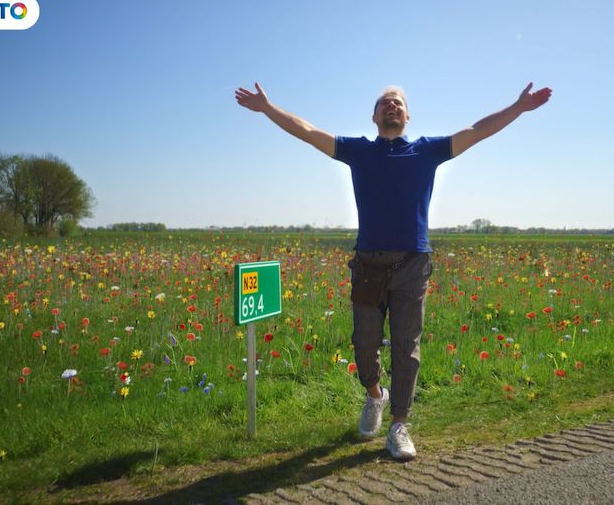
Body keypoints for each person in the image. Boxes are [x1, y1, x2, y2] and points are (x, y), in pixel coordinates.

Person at [235, 82, 552, 460]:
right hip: (368, 263)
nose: (392, 106)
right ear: (374, 116)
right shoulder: (358, 151)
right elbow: (307, 131)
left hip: (413, 264)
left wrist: (517, 107)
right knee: (363, 343)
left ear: (407, 115)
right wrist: (268, 108)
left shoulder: (427, 151)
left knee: (407, 347)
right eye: (385, 103)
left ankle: (399, 425)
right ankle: (375, 395)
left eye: (398, 103)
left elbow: (476, 131)